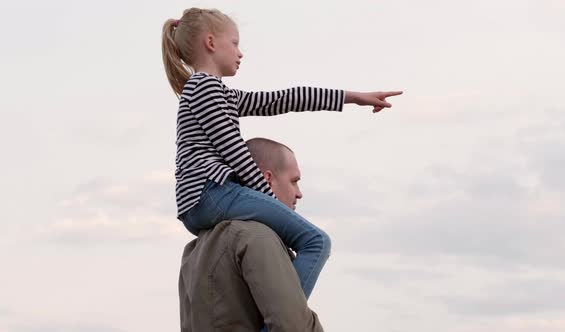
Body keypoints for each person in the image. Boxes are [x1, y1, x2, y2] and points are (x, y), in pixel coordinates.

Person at [162, 7, 403, 299]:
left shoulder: (217, 92)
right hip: (210, 192)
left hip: (200, 198)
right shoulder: (204, 88)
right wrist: (269, 198)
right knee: (316, 241)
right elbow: (235, 151)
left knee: (284, 244)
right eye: (235, 43)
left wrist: (351, 97)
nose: (241, 52)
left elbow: (282, 99)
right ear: (211, 43)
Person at [179, 138, 323, 332]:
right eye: (294, 181)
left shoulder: (194, 250)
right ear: (267, 179)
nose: (299, 193)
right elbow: (291, 326)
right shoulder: (257, 236)